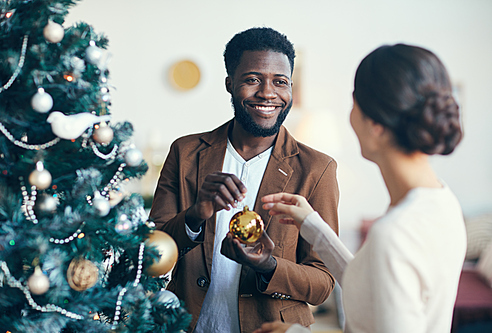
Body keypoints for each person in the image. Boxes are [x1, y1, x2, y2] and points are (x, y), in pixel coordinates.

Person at [255, 44, 466, 333]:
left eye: (354, 104)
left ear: (375, 124)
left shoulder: (394, 234)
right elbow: (370, 286)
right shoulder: (441, 201)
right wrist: (313, 226)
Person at [149, 27, 340, 333]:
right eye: (253, 79)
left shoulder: (317, 169)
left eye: (281, 82)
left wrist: (268, 265)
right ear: (230, 84)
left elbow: (323, 282)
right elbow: (151, 251)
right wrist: (195, 215)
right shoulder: (185, 152)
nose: (268, 93)